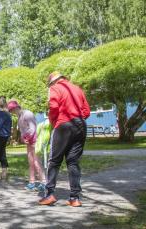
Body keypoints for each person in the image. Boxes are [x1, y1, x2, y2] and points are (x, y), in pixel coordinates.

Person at [39, 71, 90, 207]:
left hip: (63, 124)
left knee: (54, 160)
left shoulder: (54, 88)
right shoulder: (77, 89)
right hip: (80, 125)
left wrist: (54, 121)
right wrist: (77, 119)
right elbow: (86, 111)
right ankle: (75, 198)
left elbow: (54, 106)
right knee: (73, 162)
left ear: (53, 81)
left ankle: (49, 194)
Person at [7, 100, 46, 191]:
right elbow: (22, 130)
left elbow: (32, 128)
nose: (12, 112)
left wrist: (26, 137)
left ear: (17, 107)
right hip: (28, 142)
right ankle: (32, 182)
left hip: (34, 141)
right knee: (31, 162)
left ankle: (44, 182)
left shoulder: (28, 114)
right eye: (10, 110)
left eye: (12, 110)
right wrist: (23, 138)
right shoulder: (20, 117)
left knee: (37, 162)